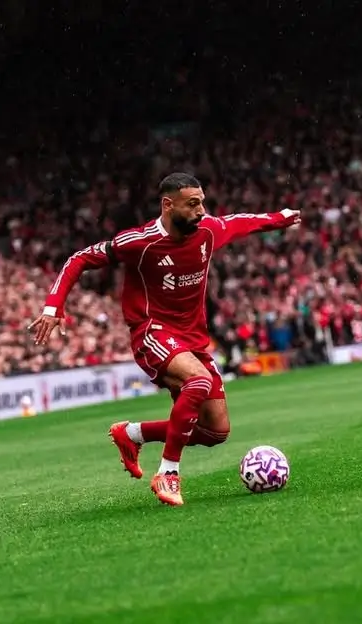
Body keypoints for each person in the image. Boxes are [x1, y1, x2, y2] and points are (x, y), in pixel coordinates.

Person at [30, 173, 300, 505]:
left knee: (216, 432)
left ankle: (132, 434)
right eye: (193, 203)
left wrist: (280, 218)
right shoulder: (138, 242)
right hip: (152, 332)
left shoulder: (208, 232)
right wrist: (53, 306)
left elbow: (243, 222)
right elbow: (80, 258)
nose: (201, 210)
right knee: (198, 382)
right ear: (168, 205)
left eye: (202, 201)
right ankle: (168, 474)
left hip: (194, 341)